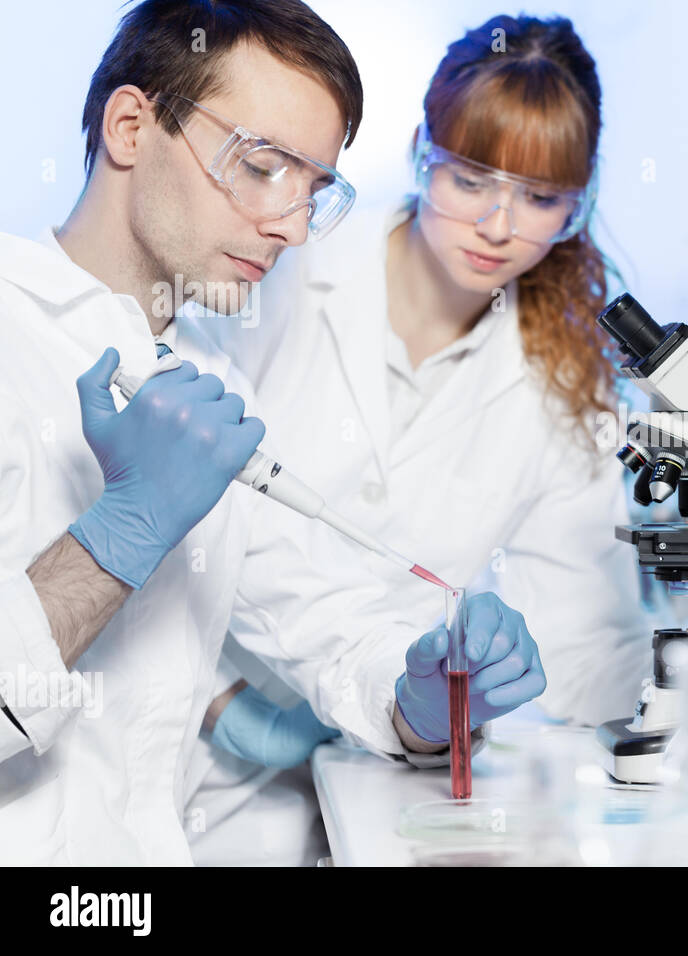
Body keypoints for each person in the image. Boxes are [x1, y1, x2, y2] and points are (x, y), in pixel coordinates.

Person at [0, 0, 545, 866]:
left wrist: (421, 696)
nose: (291, 229)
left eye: (314, 191)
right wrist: (118, 537)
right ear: (132, 126)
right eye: (260, 167)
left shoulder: (215, 383)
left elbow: (318, 614)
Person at [185, 13, 652, 865]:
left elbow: (591, 637)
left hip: (397, 766)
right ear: (420, 152)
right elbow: (168, 494)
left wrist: (651, 742)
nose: (501, 224)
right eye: (471, 179)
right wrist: (217, 700)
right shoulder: (282, 267)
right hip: (199, 748)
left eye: (541, 198)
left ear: (577, 208)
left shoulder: (565, 386)